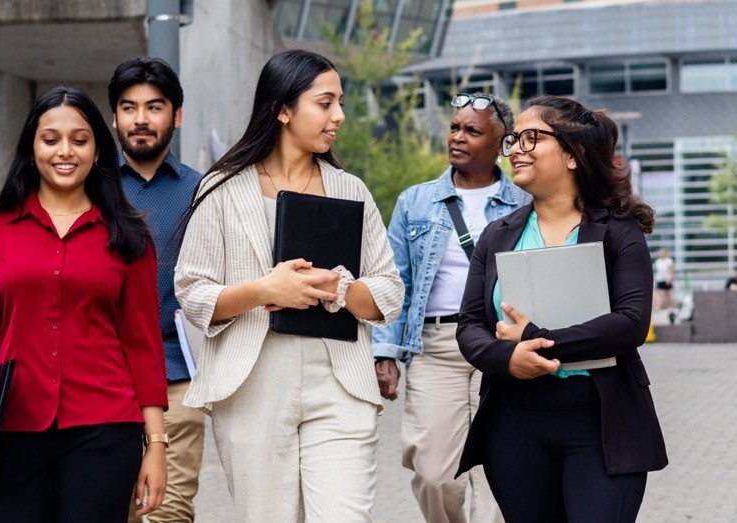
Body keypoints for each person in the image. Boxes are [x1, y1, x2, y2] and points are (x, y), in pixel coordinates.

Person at [173, 49, 403, 522]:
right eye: (325, 102)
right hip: (254, 381)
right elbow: (193, 292)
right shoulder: (221, 187)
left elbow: (389, 292)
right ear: (282, 108)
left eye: (340, 102)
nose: (338, 115)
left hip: (340, 383)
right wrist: (265, 290)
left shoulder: (350, 189)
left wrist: (339, 287)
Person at [0, 86, 168, 522]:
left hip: (105, 430)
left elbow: (142, 345)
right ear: (31, 148)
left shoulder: (129, 236)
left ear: (98, 149)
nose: (65, 151)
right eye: (51, 139)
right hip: (11, 430)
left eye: (79, 140)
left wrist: (156, 446)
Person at [455, 95, 668, 522]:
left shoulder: (618, 230)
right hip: (513, 423)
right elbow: (470, 326)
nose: (515, 148)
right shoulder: (497, 235)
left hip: (602, 421)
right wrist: (509, 357)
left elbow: (629, 324)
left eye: (531, 138)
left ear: (574, 155)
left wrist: (534, 338)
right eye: (514, 139)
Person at [372, 93, 522, 523]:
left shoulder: (525, 202)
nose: (457, 137)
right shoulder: (414, 202)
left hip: (502, 346)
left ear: (501, 144)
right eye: (455, 128)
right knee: (435, 473)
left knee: (500, 475)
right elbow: (393, 281)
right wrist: (385, 352)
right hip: (436, 346)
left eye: (472, 131)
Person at [108, 57, 206, 523]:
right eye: (129, 108)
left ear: (176, 116)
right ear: (114, 118)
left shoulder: (203, 191)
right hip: (105, 380)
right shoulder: (92, 189)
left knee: (169, 513)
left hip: (178, 375)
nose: (141, 119)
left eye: (154, 107)